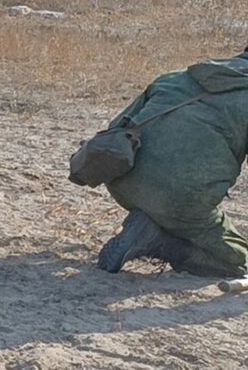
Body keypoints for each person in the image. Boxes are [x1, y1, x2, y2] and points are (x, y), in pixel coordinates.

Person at [95, 54, 248, 278]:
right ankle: (157, 241)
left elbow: (116, 127)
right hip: (181, 201)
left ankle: (150, 222)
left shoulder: (177, 78)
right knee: (239, 263)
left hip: (122, 180)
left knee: (175, 208)